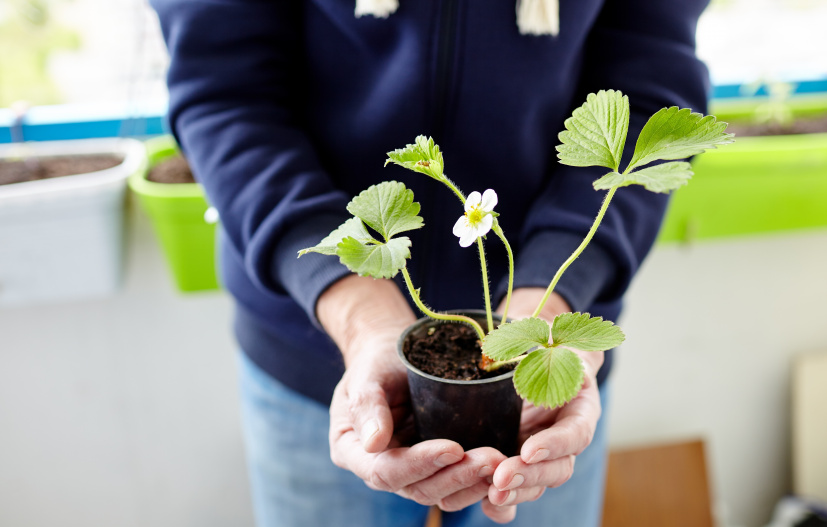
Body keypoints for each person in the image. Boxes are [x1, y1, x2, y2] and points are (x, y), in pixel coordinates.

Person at [150, 1, 710, 525]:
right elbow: (223, 89)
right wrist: (354, 306)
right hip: (309, 354)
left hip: (547, 373)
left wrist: (550, 304)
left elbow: (651, 77)